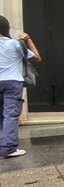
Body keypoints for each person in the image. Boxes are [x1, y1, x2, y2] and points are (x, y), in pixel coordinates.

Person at [0, 15, 42, 158]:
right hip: (12, 82)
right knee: (10, 115)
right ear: (5, 28)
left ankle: (4, 142)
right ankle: (9, 148)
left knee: (2, 115)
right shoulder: (16, 44)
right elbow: (37, 58)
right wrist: (28, 40)